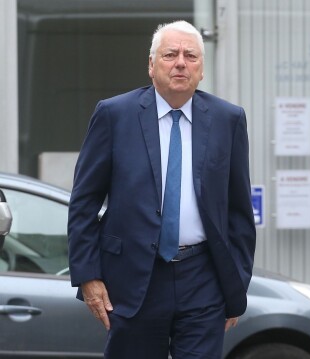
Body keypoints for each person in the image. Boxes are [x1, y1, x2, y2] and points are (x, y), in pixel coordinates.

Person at [68, 20, 256, 359]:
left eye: (191, 56)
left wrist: (236, 284)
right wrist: (87, 275)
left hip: (203, 278)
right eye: (170, 54)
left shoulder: (228, 119)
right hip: (133, 279)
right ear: (151, 66)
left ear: (202, 70)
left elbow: (239, 211)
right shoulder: (114, 115)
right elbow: (83, 202)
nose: (181, 63)